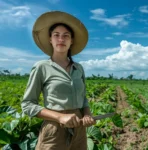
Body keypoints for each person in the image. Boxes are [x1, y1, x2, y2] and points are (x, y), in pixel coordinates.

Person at [21, 11, 96, 150]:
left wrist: (87, 114)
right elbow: (28, 104)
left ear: (71, 41)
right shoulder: (41, 67)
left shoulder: (78, 68)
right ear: (50, 39)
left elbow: (83, 98)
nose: (61, 39)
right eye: (56, 35)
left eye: (66, 35)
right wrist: (59, 117)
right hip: (54, 131)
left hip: (79, 130)